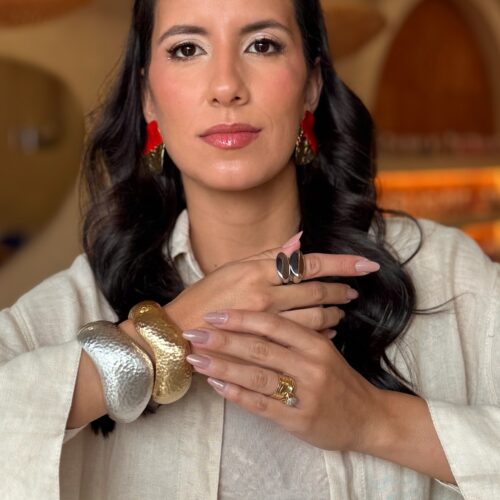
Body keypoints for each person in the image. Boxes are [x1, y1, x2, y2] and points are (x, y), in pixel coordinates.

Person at [1, 0, 499, 498]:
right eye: (187, 49)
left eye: (262, 45)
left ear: (311, 86)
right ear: (148, 97)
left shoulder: (445, 274)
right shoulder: (76, 304)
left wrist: (374, 421)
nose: (226, 87)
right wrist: (159, 338)